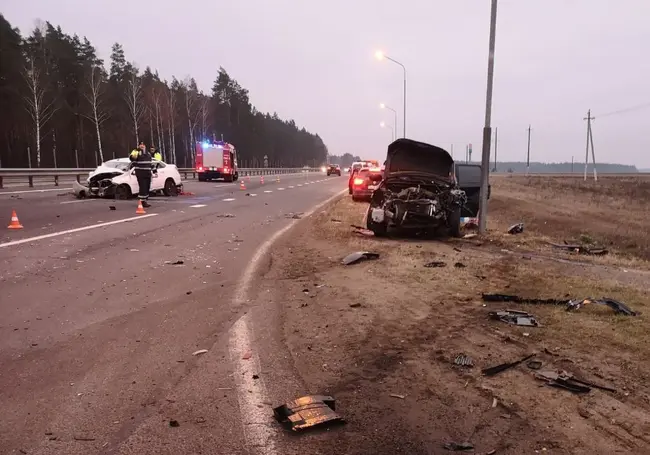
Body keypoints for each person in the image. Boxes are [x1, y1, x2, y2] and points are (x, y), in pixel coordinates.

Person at [129, 141, 156, 207]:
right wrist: (133, 157)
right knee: (143, 187)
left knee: (147, 187)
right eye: (140, 144)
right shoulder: (136, 151)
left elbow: (150, 163)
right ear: (138, 146)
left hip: (147, 173)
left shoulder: (148, 153)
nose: (142, 146)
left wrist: (155, 171)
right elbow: (132, 158)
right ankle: (142, 202)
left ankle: (145, 200)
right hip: (140, 173)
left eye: (143, 144)